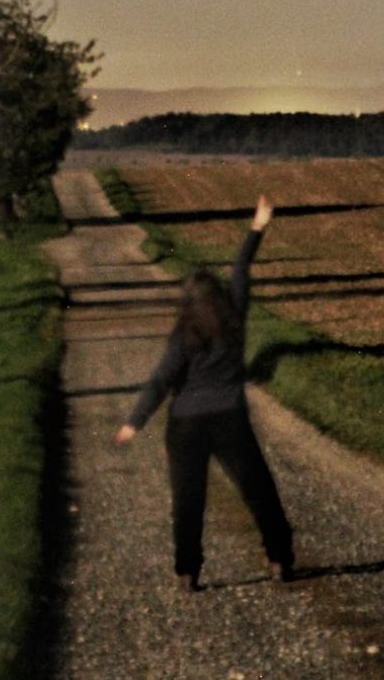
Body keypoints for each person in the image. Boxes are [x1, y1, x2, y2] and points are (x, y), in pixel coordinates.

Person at [114, 195, 294, 591]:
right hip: (230, 418)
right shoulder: (234, 321)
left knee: (188, 502)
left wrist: (134, 422)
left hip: (186, 425)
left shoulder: (184, 334)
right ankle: (279, 558)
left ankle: (187, 571)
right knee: (259, 490)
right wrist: (257, 226)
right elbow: (241, 270)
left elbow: (161, 380)